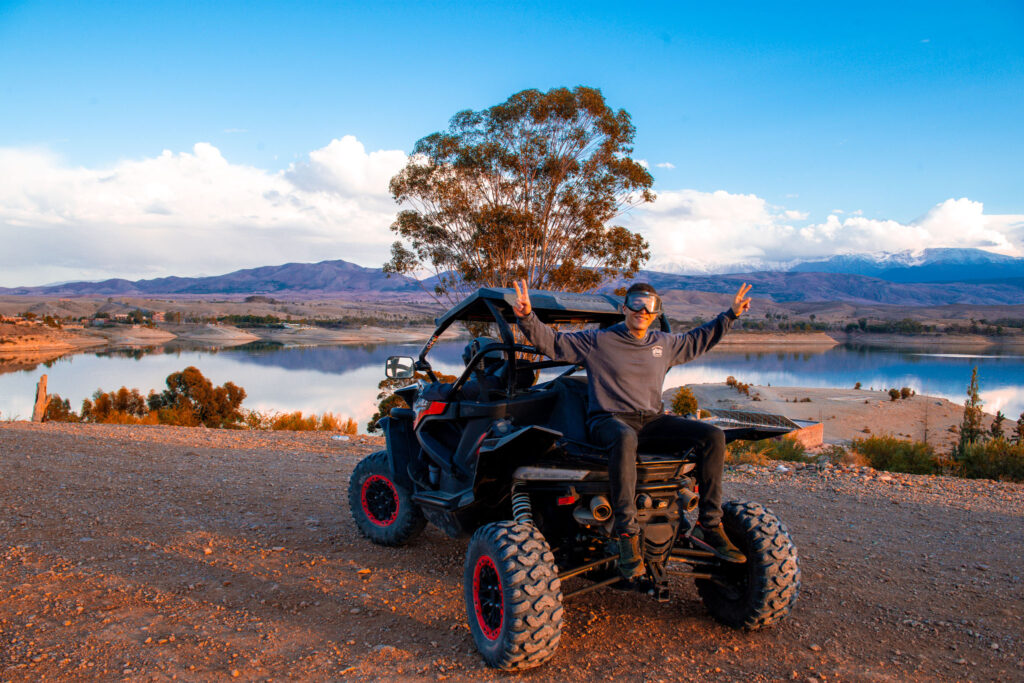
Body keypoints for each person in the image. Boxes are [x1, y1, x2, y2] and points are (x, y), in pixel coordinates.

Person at [512, 279, 752, 579]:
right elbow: (554, 343)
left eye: (648, 305)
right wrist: (526, 317)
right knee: (624, 438)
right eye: (635, 303)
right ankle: (627, 535)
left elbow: (699, 339)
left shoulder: (664, 344)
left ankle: (710, 525)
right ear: (625, 308)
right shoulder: (598, 341)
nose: (641, 309)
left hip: (651, 421)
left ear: (655, 312)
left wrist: (730, 315)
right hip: (608, 420)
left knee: (713, 436)